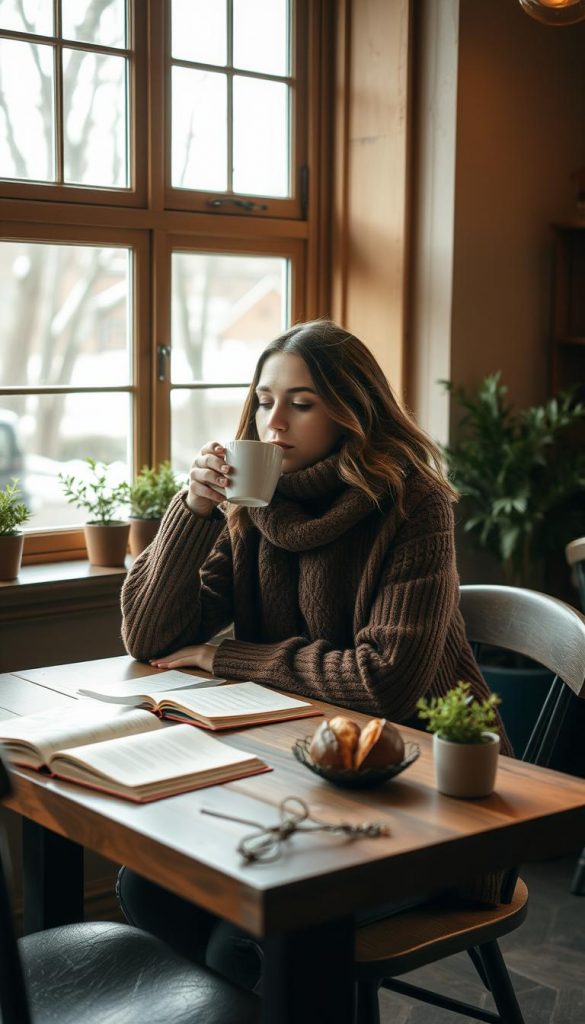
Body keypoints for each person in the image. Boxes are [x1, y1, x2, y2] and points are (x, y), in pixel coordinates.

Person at [118, 319, 512, 992]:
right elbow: (149, 638)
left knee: (244, 947)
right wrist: (193, 509)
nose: (273, 422)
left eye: (300, 403)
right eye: (264, 399)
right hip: (296, 789)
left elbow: (382, 683)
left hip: (433, 807)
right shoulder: (251, 501)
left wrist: (225, 658)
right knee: (146, 890)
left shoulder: (414, 503)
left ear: (351, 409)